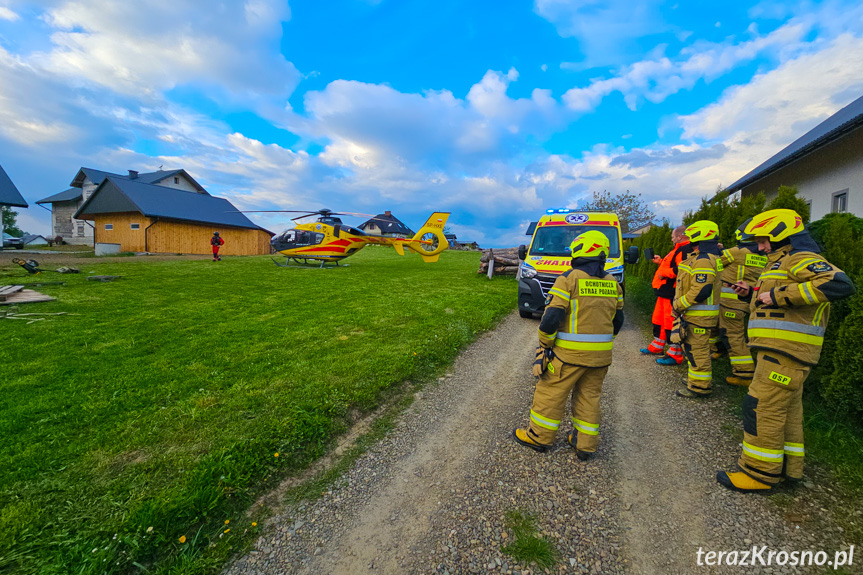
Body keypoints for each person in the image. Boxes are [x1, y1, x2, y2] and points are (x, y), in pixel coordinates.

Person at [716, 209, 856, 492]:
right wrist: (752, 290)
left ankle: (759, 473)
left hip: (786, 352)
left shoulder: (801, 257)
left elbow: (839, 284)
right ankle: (790, 469)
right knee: (787, 412)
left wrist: (779, 295)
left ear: (782, 235)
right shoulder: (782, 260)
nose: (760, 246)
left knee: (761, 408)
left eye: (765, 240)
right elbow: (778, 292)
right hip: (784, 353)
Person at [513, 230, 625, 460]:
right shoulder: (612, 282)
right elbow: (618, 320)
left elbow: (552, 316)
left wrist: (545, 342)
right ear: (602, 253)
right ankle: (585, 444)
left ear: (578, 250)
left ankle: (539, 437)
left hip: (568, 357)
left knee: (550, 394)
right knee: (589, 397)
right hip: (600, 359)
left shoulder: (569, 279)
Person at [672, 220, 722, 398]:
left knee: (698, 351)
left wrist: (678, 305)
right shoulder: (702, 257)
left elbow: (701, 290)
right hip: (696, 314)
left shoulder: (704, 261)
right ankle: (695, 380)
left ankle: (700, 386)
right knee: (692, 349)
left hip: (699, 315)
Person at [714, 220, 768, 386]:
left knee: (733, 336)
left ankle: (744, 373)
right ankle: (719, 350)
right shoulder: (763, 255)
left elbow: (715, 264)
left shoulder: (736, 252)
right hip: (746, 301)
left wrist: (716, 251)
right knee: (729, 332)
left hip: (731, 302)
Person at [641, 225, 690, 363]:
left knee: (670, 323)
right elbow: (672, 266)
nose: (672, 239)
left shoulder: (685, 249)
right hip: (664, 293)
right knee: (659, 320)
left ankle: (675, 354)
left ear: (680, 236)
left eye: (673, 237)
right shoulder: (677, 250)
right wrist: (661, 262)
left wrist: (663, 273)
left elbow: (682, 269)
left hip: (672, 293)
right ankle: (657, 346)